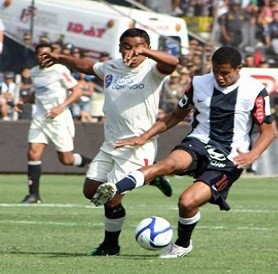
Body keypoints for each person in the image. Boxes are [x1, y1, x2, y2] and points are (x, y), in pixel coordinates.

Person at [89, 46, 275, 258]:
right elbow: (175, 115)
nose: (220, 77)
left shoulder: (255, 90)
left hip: (230, 157)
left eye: (225, 73)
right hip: (199, 142)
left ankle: (182, 244)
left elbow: (269, 131)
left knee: (187, 202)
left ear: (238, 68)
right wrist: (144, 136)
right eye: (216, 71)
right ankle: (115, 187)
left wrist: (252, 155)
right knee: (166, 165)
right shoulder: (198, 83)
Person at [39, 28, 178, 256]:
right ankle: (150, 176)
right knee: (91, 191)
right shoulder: (112, 67)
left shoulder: (152, 70)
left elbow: (173, 62)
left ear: (148, 48)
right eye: (127, 46)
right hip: (111, 143)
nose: (132, 52)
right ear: (120, 47)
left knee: (111, 197)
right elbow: (86, 65)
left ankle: (110, 245)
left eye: (139, 47)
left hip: (137, 145)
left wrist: (146, 53)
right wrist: (61, 58)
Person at [16, 43, 92, 204]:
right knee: (32, 153)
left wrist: (61, 107)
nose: (43, 57)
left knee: (66, 160)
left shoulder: (60, 70)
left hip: (59, 120)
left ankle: (92, 164)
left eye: (46, 54)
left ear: (51, 55)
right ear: (36, 56)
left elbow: (77, 91)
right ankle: (33, 195)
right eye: (40, 54)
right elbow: (38, 93)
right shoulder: (35, 72)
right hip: (40, 119)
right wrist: (24, 101)